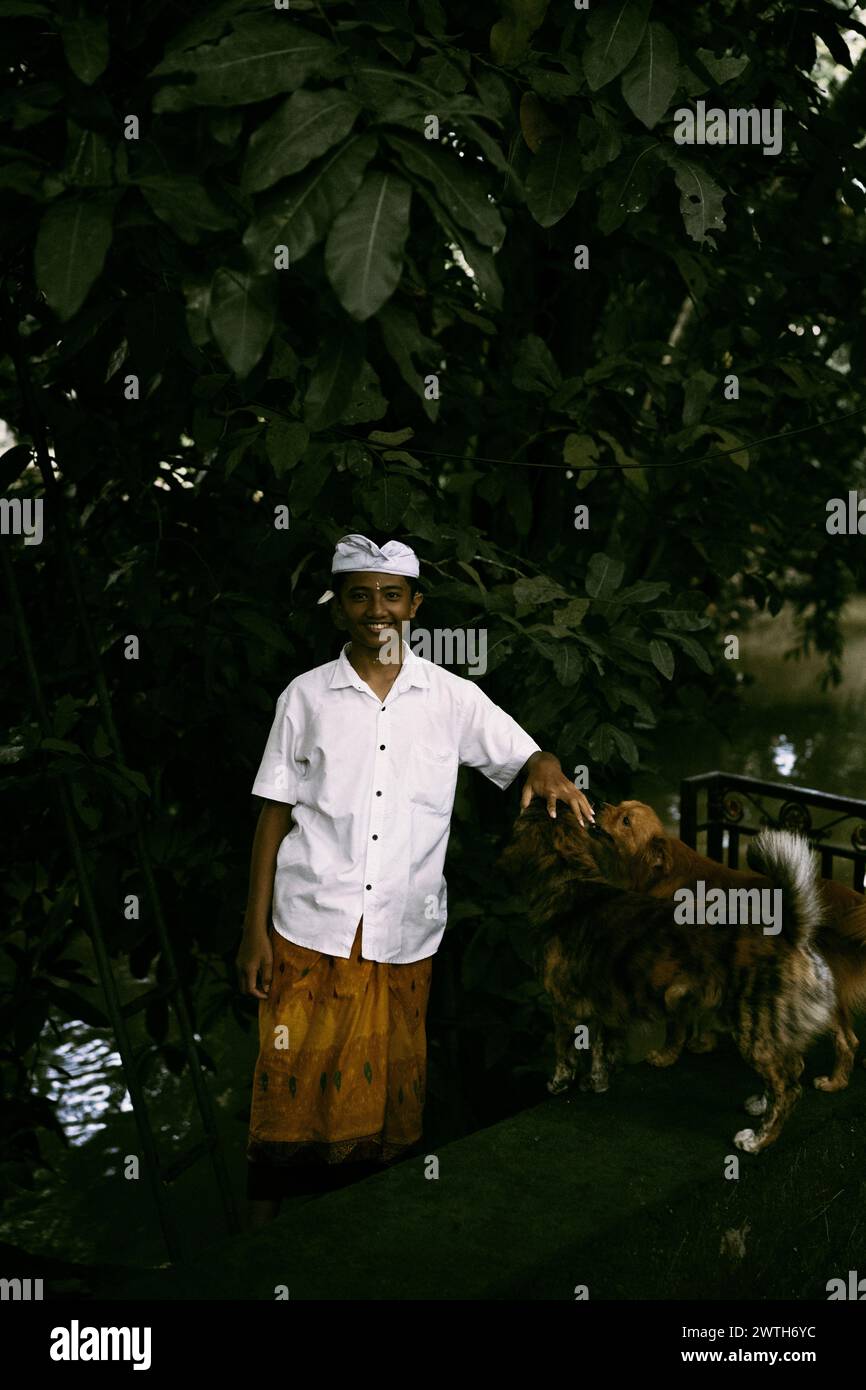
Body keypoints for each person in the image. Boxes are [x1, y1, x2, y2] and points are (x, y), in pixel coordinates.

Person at [236, 533, 595, 1227]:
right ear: (339, 607)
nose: (378, 609)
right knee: (288, 1090)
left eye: (392, 595)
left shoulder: (452, 698)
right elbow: (273, 818)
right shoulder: (304, 698)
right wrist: (253, 932)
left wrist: (547, 763)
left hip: (404, 936)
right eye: (361, 595)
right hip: (308, 927)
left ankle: (366, 1235)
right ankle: (259, 1246)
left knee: (386, 1097)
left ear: (415, 606)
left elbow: (526, 756)